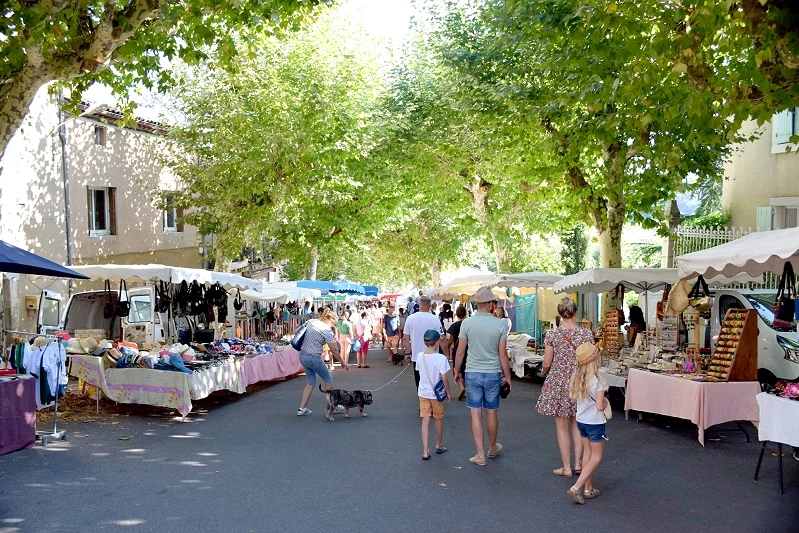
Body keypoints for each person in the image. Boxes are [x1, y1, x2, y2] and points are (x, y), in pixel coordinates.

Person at [536, 297, 594, 479]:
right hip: (579, 381)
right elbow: (591, 359)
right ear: (576, 312)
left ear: (560, 313)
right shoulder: (586, 334)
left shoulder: (552, 334)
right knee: (578, 423)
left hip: (559, 382)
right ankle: (578, 464)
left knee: (561, 425)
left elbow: (547, 362)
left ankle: (567, 468)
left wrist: (544, 371)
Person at [454, 287, 511, 467]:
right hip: (493, 372)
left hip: (472, 372)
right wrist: (507, 376)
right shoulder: (500, 324)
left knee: (475, 412)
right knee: (491, 411)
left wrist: (456, 370)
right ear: (490, 303)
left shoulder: (467, 323)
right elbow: (503, 354)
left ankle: (480, 454)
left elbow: (460, 351)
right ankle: (492, 448)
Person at [566, 343, 609, 504]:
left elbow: (573, 399)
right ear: (595, 360)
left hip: (581, 420)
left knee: (587, 454)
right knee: (596, 457)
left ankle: (588, 488)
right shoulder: (599, 380)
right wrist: (605, 402)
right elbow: (599, 406)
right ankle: (576, 487)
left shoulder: (576, 378)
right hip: (595, 422)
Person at [297, 311, 348, 416]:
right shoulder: (326, 330)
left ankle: (301, 408)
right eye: (333, 323)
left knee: (311, 381)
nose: (333, 326)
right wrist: (342, 362)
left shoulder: (311, 321)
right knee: (328, 379)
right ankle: (332, 406)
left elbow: (297, 331)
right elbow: (334, 350)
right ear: (328, 319)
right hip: (314, 357)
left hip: (302, 355)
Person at [417, 329, 452, 460]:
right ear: (437, 342)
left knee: (425, 420)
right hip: (436, 394)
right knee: (438, 418)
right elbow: (444, 378)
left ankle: (425, 451)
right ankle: (439, 445)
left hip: (423, 392)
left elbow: (420, 372)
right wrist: (448, 392)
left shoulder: (420, 356)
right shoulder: (441, 358)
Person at [403, 295, 447, 390]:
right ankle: (434, 395)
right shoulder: (434, 319)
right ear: (430, 305)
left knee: (420, 381)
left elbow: (406, 338)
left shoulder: (410, 318)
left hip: (417, 356)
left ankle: (422, 396)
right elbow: (442, 338)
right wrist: (446, 355)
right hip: (433, 355)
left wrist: (407, 353)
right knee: (434, 379)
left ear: (419, 305)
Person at [447, 305, 468, 400]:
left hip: (457, 349)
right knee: (466, 369)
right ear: (466, 313)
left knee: (457, 369)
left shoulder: (454, 325)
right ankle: (465, 387)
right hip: (469, 350)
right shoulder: (468, 324)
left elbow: (450, 340)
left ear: (456, 314)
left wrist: (446, 349)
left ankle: (461, 386)